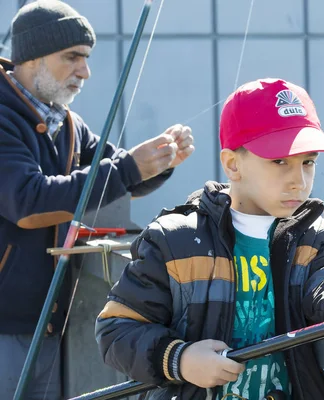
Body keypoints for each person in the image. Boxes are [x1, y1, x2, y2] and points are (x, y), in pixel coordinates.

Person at [95, 77, 324, 400]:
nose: (299, 180)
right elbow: (116, 331)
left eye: (308, 162)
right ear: (233, 164)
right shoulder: (174, 239)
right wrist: (180, 360)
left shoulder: (312, 233)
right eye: (280, 161)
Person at [0, 1, 195, 398]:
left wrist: (160, 160)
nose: (84, 71)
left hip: (48, 322)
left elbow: (118, 177)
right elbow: (27, 202)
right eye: (71, 57)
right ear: (32, 58)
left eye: (86, 58)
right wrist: (130, 168)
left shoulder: (67, 122)